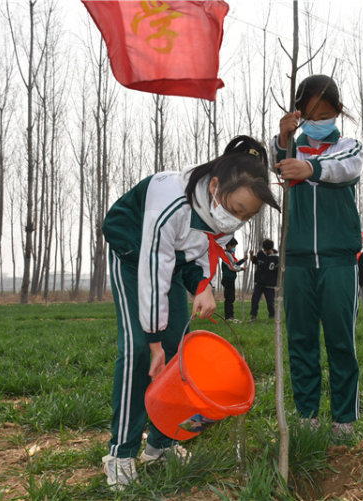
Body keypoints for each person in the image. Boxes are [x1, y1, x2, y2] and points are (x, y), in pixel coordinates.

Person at [101, 136, 280, 490]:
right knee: (140, 351)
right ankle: (120, 452)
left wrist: (203, 285)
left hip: (171, 261)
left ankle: (161, 445)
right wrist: (154, 341)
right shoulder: (169, 200)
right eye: (237, 207)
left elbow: (201, 253)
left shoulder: (220, 213)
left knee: (178, 353)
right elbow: (154, 269)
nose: (237, 220)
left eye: (248, 215)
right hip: (135, 257)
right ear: (215, 185)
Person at [271, 74, 363, 436]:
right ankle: (306, 417)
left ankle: (344, 421)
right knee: (301, 341)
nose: (318, 119)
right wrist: (283, 139)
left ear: (338, 112)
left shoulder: (348, 145)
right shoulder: (290, 147)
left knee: (341, 341)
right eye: (310, 113)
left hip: (338, 261)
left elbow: (346, 168)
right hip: (295, 262)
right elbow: (276, 164)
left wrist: (311, 168)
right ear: (298, 112)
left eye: (325, 113)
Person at [248, 239, 279, 321]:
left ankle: (272, 316)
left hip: (270, 284)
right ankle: (254, 315)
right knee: (255, 299)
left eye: (267, 250)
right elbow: (254, 261)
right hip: (259, 282)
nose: (266, 251)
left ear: (271, 249)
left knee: (270, 302)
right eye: (265, 250)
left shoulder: (276, 258)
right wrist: (251, 255)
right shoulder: (260, 253)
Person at [221, 238, 246, 322]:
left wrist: (243, 260)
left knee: (231, 297)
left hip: (230, 279)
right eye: (233, 246)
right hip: (227, 278)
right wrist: (242, 269)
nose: (234, 248)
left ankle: (230, 315)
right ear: (228, 245)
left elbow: (234, 264)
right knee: (229, 298)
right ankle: (228, 316)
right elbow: (232, 267)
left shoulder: (230, 254)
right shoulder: (226, 254)